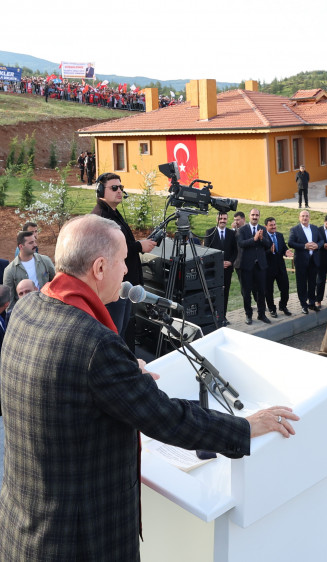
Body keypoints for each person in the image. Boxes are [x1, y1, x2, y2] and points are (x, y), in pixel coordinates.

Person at [0, 214, 297, 560]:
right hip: (78, 542)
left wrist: (120, 374)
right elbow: (168, 419)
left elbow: (61, 382)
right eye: (123, 261)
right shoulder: (95, 346)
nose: (128, 271)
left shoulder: (28, 308)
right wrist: (245, 427)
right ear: (98, 268)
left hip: (23, 529)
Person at [91, 173, 157, 344]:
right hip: (115, 288)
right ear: (100, 191)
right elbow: (109, 250)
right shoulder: (101, 217)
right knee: (117, 333)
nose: (119, 191)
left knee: (125, 328)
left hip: (125, 285)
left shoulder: (113, 213)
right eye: (114, 188)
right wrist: (139, 246)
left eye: (121, 187)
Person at [2, 230, 56, 308]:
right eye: (31, 243)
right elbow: (9, 300)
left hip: (46, 307)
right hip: (25, 311)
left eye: (34, 241)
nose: (35, 245)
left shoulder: (45, 261)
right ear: (21, 246)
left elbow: (55, 283)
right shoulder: (10, 270)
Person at [238, 209, 270, 325]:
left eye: (257, 215)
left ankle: (261, 314)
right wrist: (254, 239)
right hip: (247, 266)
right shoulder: (242, 229)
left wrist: (261, 239)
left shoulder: (263, 229)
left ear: (259, 216)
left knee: (261, 291)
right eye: (253, 215)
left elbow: (268, 245)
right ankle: (248, 315)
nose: (255, 217)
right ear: (249, 216)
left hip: (260, 266)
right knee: (246, 292)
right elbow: (241, 244)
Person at [203, 212, 237, 316]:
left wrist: (230, 262)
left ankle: (223, 316)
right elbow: (207, 252)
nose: (223, 220)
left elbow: (235, 251)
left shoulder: (232, 233)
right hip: (213, 270)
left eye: (225, 218)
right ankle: (213, 316)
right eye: (221, 218)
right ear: (217, 219)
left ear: (227, 219)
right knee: (213, 294)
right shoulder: (210, 232)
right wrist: (219, 263)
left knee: (225, 293)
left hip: (227, 269)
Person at [289, 210, 323, 313]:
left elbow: (321, 241)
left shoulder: (314, 228)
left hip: (313, 260)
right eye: (303, 216)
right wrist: (304, 246)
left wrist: (317, 245)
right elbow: (290, 243)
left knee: (313, 283)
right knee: (302, 283)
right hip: (301, 261)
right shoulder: (295, 229)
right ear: (299, 217)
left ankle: (312, 303)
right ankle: (303, 305)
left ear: (309, 217)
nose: (305, 218)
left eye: (307, 216)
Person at [262, 217, 291, 319]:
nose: (274, 227)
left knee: (285, 288)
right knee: (269, 291)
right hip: (268, 269)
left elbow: (283, 248)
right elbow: (261, 254)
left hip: (280, 267)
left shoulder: (279, 235)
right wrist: (269, 251)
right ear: (266, 227)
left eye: (274, 225)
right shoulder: (263, 237)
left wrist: (286, 252)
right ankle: (272, 309)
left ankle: (283, 306)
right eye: (271, 225)